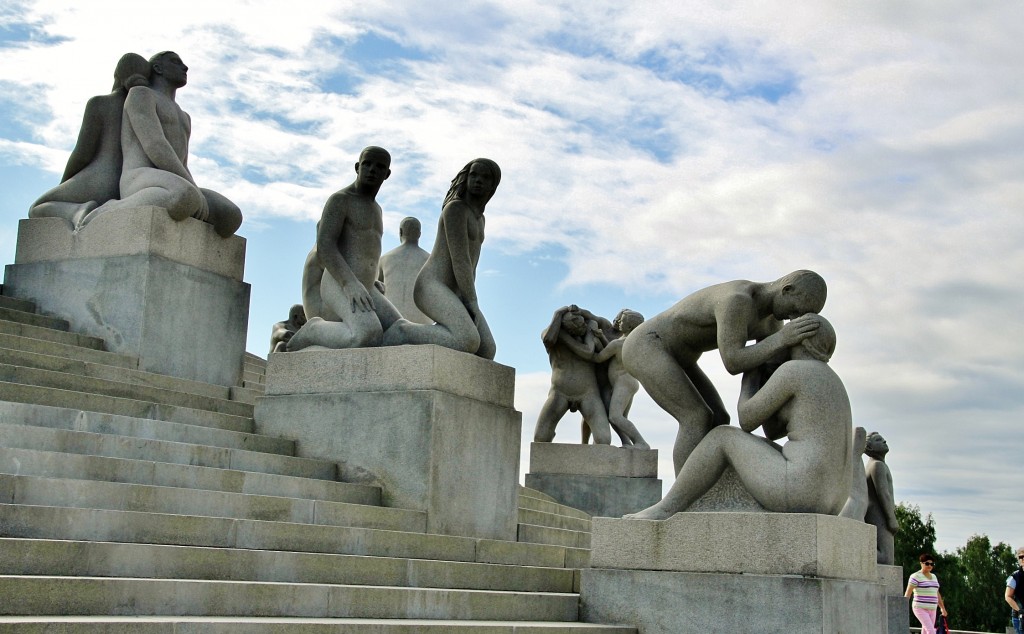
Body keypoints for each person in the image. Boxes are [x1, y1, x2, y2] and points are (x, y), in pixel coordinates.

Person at [624, 314, 851, 519]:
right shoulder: (833, 381)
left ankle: (667, 508)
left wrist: (751, 373)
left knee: (722, 436)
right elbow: (773, 431)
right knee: (757, 448)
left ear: (800, 338)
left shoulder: (795, 371)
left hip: (799, 489)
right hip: (832, 498)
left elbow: (746, 419)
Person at [620, 270, 827, 474]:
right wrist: (782, 339)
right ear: (787, 290)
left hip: (682, 357)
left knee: (719, 417)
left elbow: (762, 364)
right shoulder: (738, 300)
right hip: (647, 345)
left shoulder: (773, 324)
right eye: (795, 311)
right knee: (695, 417)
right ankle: (680, 500)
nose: (794, 319)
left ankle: (706, 488)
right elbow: (733, 361)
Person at [79, 51, 242, 238]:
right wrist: (192, 189)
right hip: (139, 178)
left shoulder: (184, 116)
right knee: (185, 196)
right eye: (176, 62)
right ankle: (110, 209)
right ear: (157, 68)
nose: (185, 67)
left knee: (230, 216)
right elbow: (155, 145)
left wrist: (195, 190)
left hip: (173, 180)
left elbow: (182, 162)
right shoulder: (141, 95)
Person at [382, 159, 500, 359]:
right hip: (431, 286)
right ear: (466, 178)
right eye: (474, 175)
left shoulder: (480, 219)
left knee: (486, 350)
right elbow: (460, 260)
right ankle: (403, 330)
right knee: (467, 340)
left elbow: (472, 265)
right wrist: (472, 302)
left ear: (493, 185)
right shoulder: (455, 209)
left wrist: (467, 299)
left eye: (485, 177)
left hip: (457, 292)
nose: (478, 180)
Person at [288, 146, 401, 351]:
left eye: (379, 166)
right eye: (367, 164)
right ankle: (313, 330)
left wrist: (371, 281)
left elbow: (364, 250)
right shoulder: (341, 200)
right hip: (338, 282)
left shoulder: (377, 209)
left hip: (365, 286)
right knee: (368, 334)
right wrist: (349, 283)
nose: (372, 169)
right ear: (357, 167)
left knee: (400, 330)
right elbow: (325, 246)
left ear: (387, 174)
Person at [29, 53, 151, 226]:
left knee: (38, 207)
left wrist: (65, 182)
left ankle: (78, 210)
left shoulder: (101, 103)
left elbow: (82, 154)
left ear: (117, 74)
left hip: (102, 179)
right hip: (131, 184)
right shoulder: (148, 110)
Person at [533, 305, 612, 445]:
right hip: (560, 392)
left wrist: (568, 335)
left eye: (582, 322)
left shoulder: (588, 333)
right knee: (541, 437)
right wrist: (558, 313)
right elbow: (548, 340)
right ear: (564, 325)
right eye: (576, 323)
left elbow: (588, 352)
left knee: (603, 439)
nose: (581, 325)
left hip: (588, 392)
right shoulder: (552, 335)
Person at [585, 309, 649, 449]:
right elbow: (612, 351)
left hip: (623, 382)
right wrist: (601, 337)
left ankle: (642, 443)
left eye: (622, 321)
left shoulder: (618, 344)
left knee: (615, 417)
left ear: (630, 327)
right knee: (619, 418)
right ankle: (627, 442)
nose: (618, 322)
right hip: (629, 382)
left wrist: (587, 345)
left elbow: (599, 358)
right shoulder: (632, 342)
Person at [377, 216, 430, 324]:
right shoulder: (430, 261)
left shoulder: (384, 259)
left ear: (400, 232)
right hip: (422, 325)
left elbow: (377, 291)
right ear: (419, 234)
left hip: (391, 322)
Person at [864, 431, 900, 564]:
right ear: (869, 448)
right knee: (886, 558)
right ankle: (855, 553)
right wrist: (891, 519)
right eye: (879, 440)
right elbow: (883, 493)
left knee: (886, 557)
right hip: (879, 515)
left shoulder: (875, 465)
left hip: (877, 513)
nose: (884, 441)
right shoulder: (877, 466)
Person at [905, 553, 948, 634]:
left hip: (932, 608)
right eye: (927, 563)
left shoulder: (934, 576)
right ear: (921, 563)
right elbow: (908, 593)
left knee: (925, 631)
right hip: (920, 608)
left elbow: (937, 593)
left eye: (932, 564)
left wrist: (942, 608)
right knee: (931, 631)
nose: (930, 566)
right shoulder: (915, 576)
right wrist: (902, 608)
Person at [1005, 546, 1024, 634]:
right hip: (1020, 618)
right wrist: (1020, 610)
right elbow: (1008, 597)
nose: (1023, 559)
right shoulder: (1014, 577)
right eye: (1021, 557)